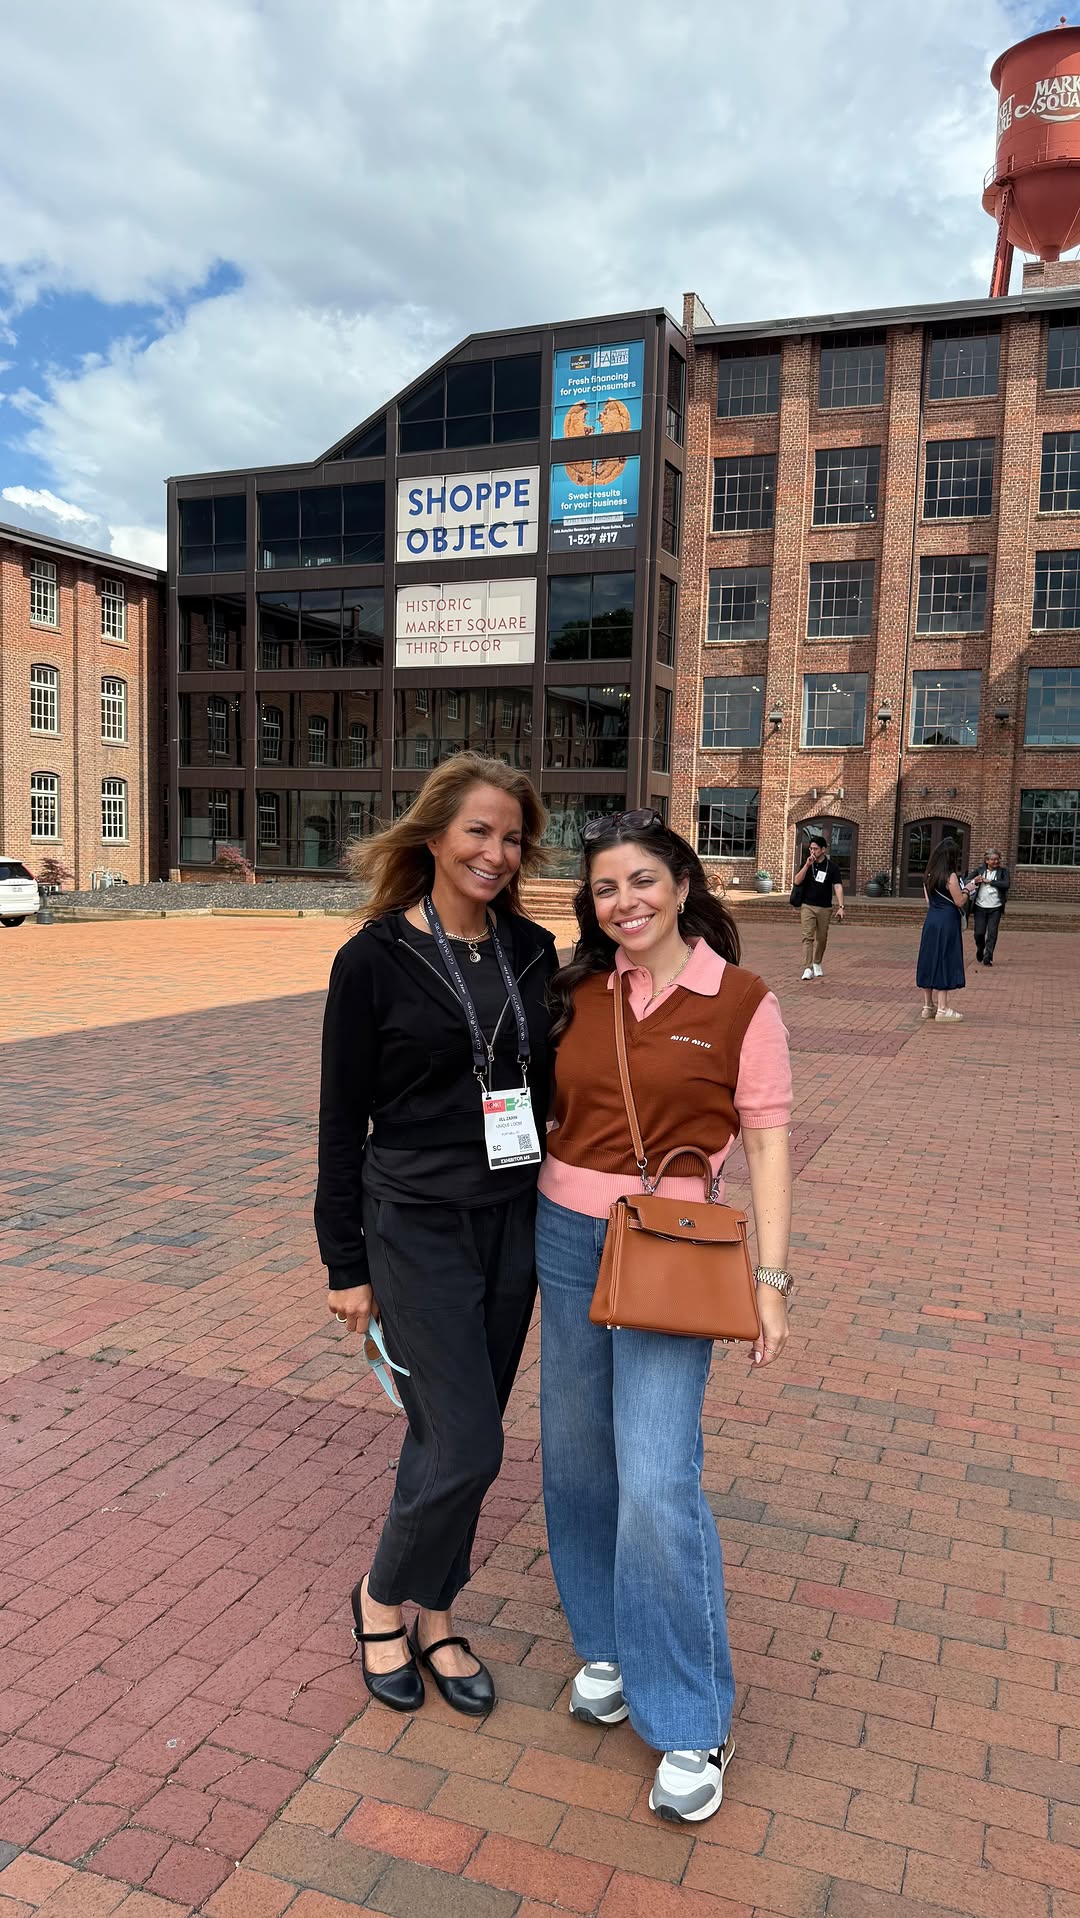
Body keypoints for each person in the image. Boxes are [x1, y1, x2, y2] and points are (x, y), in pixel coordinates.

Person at [536, 810, 794, 1825]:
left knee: (655, 1476)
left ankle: (691, 1715)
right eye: (605, 888)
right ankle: (606, 1645)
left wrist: (772, 1280)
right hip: (563, 1237)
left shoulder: (741, 1001)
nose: (625, 902)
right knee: (576, 1463)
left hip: (673, 1250)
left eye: (642, 880)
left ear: (682, 884)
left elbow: (767, 1144)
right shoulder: (575, 993)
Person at [315, 754, 558, 1717]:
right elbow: (341, 1123)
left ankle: (438, 1613)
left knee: (453, 1431)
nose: (496, 853)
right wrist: (345, 1263)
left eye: (512, 838)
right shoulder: (373, 958)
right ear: (433, 835)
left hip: (514, 1217)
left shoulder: (532, 949)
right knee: (467, 1442)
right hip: (412, 1223)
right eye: (478, 832)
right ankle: (381, 1600)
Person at [916, 837, 971, 1023]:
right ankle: (943, 1008)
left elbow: (928, 901)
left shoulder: (928, 875)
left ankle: (928, 1005)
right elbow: (959, 901)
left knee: (929, 958)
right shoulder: (950, 876)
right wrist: (968, 890)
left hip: (932, 919)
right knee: (945, 958)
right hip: (947, 921)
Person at [792, 834, 844, 979]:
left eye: (815, 849)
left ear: (823, 850)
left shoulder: (832, 867)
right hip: (807, 905)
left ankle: (817, 962)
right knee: (807, 937)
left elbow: (838, 886)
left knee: (822, 938)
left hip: (825, 908)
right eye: (811, 848)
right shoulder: (807, 864)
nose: (812, 851)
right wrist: (807, 865)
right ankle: (808, 968)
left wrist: (841, 906)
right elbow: (797, 881)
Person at [969, 846, 1011, 966]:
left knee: (992, 933)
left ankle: (988, 957)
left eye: (998, 859)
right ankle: (980, 948)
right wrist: (975, 881)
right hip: (980, 907)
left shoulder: (1003, 871)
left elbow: (1006, 884)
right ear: (987, 860)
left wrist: (991, 882)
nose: (996, 861)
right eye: (993, 859)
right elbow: (967, 880)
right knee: (979, 933)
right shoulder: (979, 870)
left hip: (995, 907)